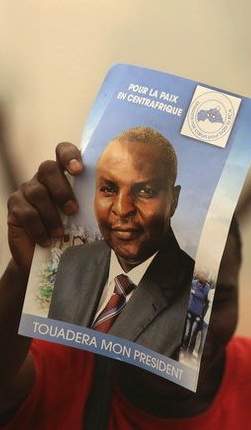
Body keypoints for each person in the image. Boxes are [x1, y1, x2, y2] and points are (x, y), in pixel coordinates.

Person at [0, 141, 251, 429]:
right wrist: (24, 275)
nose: (192, 326)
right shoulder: (70, 369)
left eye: (216, 299)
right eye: (168, 295)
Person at [46, 127, 194, 357]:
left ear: (173, 201)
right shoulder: (73, 261)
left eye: (145, 190)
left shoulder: (192, 300)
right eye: (108, 189)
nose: (123, 209)